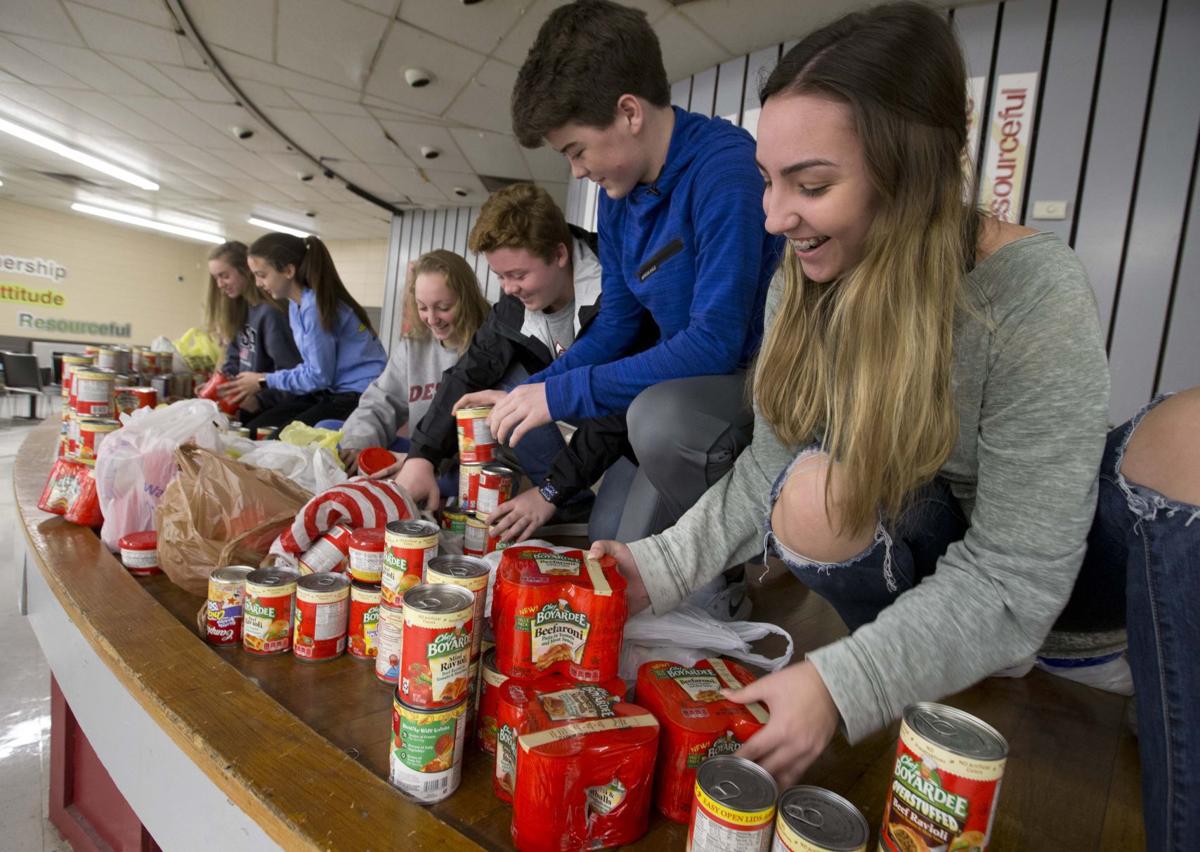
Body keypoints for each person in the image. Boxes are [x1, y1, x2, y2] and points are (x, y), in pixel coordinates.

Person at [588, 5, 1198, 849]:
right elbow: (767, 465)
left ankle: (1089, 665)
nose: (774, 216)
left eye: (810, 186)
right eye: (768, 181)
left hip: (1058, 574)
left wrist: (839, 684)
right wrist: (653, 567)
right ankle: (942, 646)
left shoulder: (1033, 291)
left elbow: (1022, 568)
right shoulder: (804, 277)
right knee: (810, 490)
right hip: (919, 542)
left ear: (913, 174)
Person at [492, 0, 783, 540]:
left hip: (758, 387)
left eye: (577, 150)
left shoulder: (724, 169)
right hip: (682, 394)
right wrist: (531, 390)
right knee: (611, 540)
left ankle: (752, 550)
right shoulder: (618, 199)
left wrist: (561, 394)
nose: (577, 171)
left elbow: (715, 344)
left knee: (655, 420)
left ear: (629, 113)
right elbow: (617, 327)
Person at [397, 183, 643, 542]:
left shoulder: (620, 292)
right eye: (500, 276)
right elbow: (468, 373)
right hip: (580, 426)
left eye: (518, 275)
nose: (508, 288)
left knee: (614, 536)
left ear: (559, 254)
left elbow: (618, 406)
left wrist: (550, 491)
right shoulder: (515, 303)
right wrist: (422, 456)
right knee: (500, 382)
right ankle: (570, 506)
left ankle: (560, 497)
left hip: (636, 432)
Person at [335, 250, 489, 477]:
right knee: (331, 429)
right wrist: (358, 444)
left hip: (464, 463)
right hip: (420, 453)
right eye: (422, 307)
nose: (432, 319)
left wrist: (421, 463)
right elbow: (381, 401)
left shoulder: (490, 345)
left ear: (466, 300)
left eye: (444, 307)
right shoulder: (414, 346)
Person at [225, 233, 387, 429]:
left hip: (359, 395)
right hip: (332, 391)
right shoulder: (296, 305)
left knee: (278, 439)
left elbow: (318, 376)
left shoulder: (314, 308)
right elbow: (313, 371)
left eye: (262, 275)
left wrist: (263, 380)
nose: (258, 283)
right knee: (256, 428)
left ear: (288, 270)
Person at [203, 240, 302, 423]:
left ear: (246, 270)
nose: (220, 284)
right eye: (216, 278)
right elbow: (233, 361)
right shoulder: (240, 310)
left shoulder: (270, 313)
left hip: (277, 406)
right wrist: (219, 387)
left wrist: (260, 400)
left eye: (224, 276)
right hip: (250, 404)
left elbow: (291, 371)